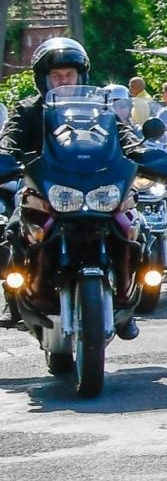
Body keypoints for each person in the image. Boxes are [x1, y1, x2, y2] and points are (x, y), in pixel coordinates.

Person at [0, 38, 148, 338]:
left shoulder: (101, 110)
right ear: (43, 78)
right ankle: (15, 298)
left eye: (69, 74)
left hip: (96, 188)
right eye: (56, 75)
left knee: (132, 223)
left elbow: (125, 137)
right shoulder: (28, 110)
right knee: (15, 227)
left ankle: (126, 299)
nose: (63, 80)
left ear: (82, 76)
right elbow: (10, 139)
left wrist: (143, 155)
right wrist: (5, 155)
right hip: (45, 188)